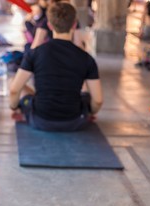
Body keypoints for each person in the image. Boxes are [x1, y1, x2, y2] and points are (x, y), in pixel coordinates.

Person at [9, 2, 103, 131]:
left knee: (17, 86)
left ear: (49, 25)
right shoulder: (86, 58)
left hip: (40, 119)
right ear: (74, 25)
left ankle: (28, 107)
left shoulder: (35, 53)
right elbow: (98, 101)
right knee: (85, 91)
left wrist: (15, 108)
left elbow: (14, 90)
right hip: (74, 121)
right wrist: (90, 112)